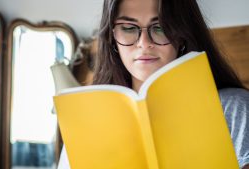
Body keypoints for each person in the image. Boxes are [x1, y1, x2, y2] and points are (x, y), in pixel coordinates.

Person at [57, 0, 249, 168]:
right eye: (128, 28)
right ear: (112, 38)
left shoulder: (232, 108)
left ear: (182, 34)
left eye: (160, 27)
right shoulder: (86, 124)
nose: (144, 43)